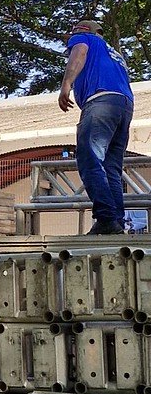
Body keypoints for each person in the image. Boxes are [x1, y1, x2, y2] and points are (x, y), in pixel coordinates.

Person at [59, 17, 135, 235]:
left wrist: (66, 84)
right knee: (111, 167)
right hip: (124, 106)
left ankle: (105, 217)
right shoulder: (116, 55)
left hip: (100, 102)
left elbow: (79, 52)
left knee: (89, 159)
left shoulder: (84, 39)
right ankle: (116, 222)